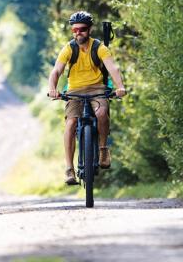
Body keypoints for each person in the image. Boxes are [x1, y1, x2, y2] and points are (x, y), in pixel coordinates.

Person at [48, 11, 127, 185]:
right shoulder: (69, 48)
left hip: (97, 89)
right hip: (74, 91)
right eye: (74, 30)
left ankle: (103, 149)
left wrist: (120, 86)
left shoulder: (99, 47)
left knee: (101, 114)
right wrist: (52, 88)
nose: (78, 33)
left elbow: (112, 68)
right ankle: (69, 168)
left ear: (89, 29)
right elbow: (56, 71)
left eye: (82, 29)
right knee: (70, 123)